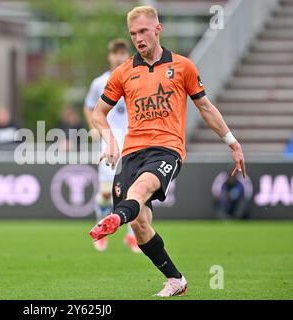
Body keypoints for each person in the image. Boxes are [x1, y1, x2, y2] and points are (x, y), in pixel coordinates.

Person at [88, 6, 246, 297]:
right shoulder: (123, 73)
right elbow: (99, 113)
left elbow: (205, 107)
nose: (138, 38)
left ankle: (113, 220)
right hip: (132, 153)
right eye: (134, 33)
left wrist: (232, 142)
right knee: (141, 223)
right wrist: (110, 141)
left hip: (167, 149)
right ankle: (176, 280)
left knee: (140, 189)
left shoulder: (183, 67)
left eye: (144, 31)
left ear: (157, 30)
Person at [84, 39, 139, 253]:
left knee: (134, 191)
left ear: (128, 55)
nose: (119, 57)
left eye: (122, 52)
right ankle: (101, 231)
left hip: (132, 140)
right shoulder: (100, 82)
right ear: (109, 56)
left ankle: (132, 236)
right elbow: (90, 107)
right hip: (109, 141)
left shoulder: (136, 77)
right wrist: (94, 128)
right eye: (115, 53)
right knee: (107, 193)